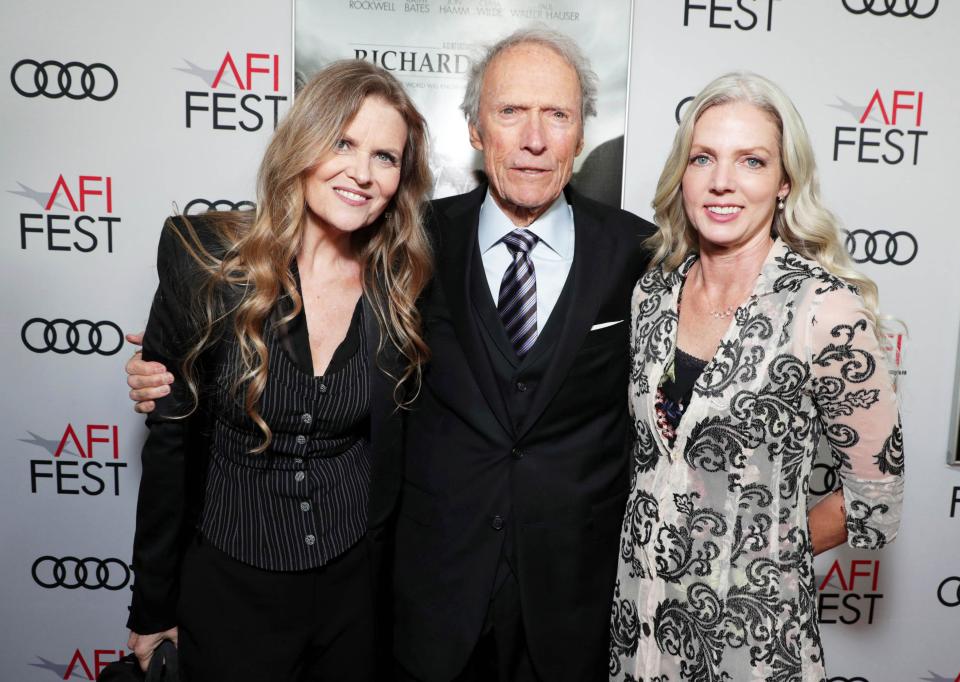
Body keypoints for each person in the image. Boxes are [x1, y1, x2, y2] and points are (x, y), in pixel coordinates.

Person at [130, 28, 653, 681]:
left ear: (581, 134)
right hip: (422, 597)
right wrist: (171, 373)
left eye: (558, 115)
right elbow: (193, 414)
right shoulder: (418, 245)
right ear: (475, 130)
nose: (534, 137)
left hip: (558, 596)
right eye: (511, 111)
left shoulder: (639, 253)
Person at [125, 60, 432, 682]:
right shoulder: (204, 259)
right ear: (303, 143)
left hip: (354, 597)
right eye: (342, 143)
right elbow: (168, 447)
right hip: (230, 587)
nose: (362, 174)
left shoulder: (403, 285)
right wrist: (152, 605)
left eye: (385, 157)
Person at [608, 73, 904, 681]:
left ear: (784, 181)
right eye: (703, 158)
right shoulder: (653, 294)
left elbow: (875, 504)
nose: (723, 181)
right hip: (638, 624)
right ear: (682, 175)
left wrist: (759, 557)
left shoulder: (826, 310)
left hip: (754, 641)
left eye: (751, 160)